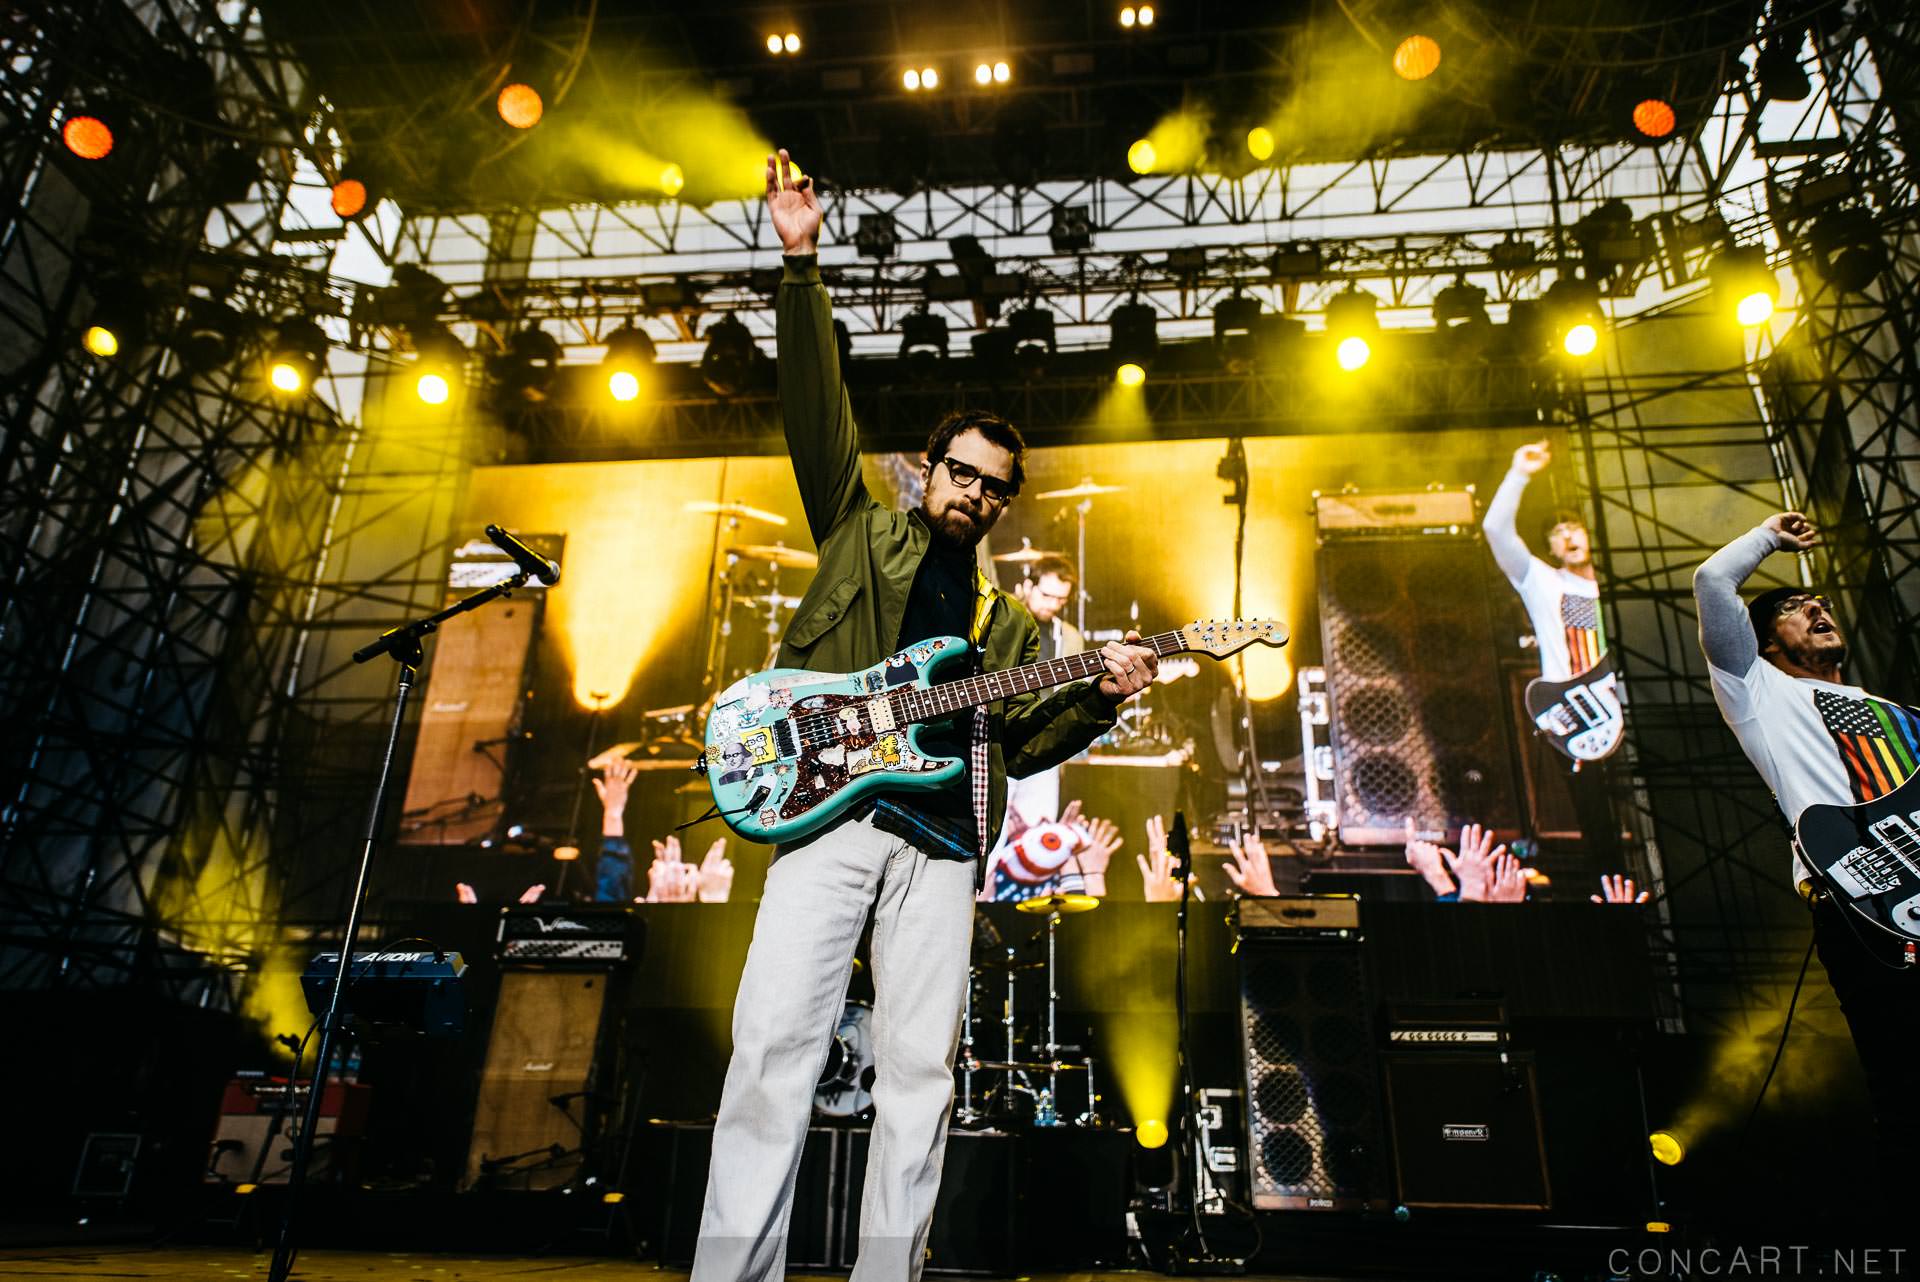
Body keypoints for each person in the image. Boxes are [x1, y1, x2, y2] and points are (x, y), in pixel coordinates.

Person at [690, 150, 1159, 1282]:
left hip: (945, 850)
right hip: (829, 822)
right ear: (928, 468)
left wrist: (1094, 695)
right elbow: (815, 405)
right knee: (774, 1052)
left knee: (920, 1077)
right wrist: (801, 261)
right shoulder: (862, 530)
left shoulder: (1010, 630)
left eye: (995, 485)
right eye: (961, 472)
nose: (975, 493)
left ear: (1006, 502)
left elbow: (1027, 738)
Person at [1695, 510, 1920, 1179]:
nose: (1816, 607)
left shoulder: (1904, 717)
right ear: (1764, 645)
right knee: (1907, 1091)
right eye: (1793, 608)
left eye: (1818, 601)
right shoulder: (1760, 693)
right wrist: (1768, 536)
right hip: (1865, 908)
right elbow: (1712, 581)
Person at [1484, 440, 1605, 683]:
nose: (1567, 536)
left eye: (1573, 528)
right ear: (1551, 549)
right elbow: (1495, 528)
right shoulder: (1544, 581)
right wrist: (1518, 474)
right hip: (1570, 711)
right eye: (1557, 533)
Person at [993, 554, 1087, 859]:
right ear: (1027, 585)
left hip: (1041, 744)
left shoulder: (1069, 637)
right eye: (1046, 595)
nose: (1052, 604)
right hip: (997, 740)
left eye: (1061, 599)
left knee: (1036, 838)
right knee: (993, 836)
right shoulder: (1001, 617)